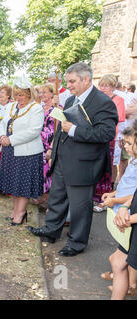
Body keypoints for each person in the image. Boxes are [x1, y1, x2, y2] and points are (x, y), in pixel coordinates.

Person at [28, 62, 119, 257]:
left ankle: (76, 242)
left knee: (79, 206)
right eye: (68, 81)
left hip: (84, 164)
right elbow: (62, 128)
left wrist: (76, 131)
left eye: (72, 81)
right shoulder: (70, 100)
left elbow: (107, 133)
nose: (68, 85)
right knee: (57, 198)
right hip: (62, 160)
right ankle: (51, 230)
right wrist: (54, 149)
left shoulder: (103, 103)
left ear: (86, 79)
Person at [0, 75, 44, 226]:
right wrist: (2, 136)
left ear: (29, 94)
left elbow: (34, 131)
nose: (18, 98)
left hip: (27, 152)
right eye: (16, 94)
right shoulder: (11, 106)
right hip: (10, 150)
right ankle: (15, 210)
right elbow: (3, 123)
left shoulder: (36, 108)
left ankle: (21, 212)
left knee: (22, 183)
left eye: (21, 95)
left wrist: (12, 139)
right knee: (13, 182)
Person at [100, 124, 137, 299]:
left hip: (131, 217)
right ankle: (126, 283)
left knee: (120, 261)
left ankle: (130, 285)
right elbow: (128, 190)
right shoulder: (133, 162)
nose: (126, 147)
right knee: (118, 260)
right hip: (127, 213)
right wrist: (116, 198)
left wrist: (118, 203)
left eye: (129, 143)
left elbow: (132, 194)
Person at [93, 75, 126, 212]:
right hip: (97, 136)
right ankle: (95, 196)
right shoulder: (96, 99)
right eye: (101, 85)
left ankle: (106, 197)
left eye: (106, 85)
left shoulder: (118, 100)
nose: (103, 88)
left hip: (111, 137)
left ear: (113, 87)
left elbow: (117, 118)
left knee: (109, 166)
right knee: (97, 165)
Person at [31, 83, 57, 206]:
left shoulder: (57, 108)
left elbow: (57, 130)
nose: (42, 95)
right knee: (39, 168)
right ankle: (39, 193)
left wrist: (52, 147)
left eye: (45, 92)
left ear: (52, 93)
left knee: (48, 169)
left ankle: (47, 197)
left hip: (49, 142)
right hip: (38, 142)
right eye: (40, 93)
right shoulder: (40, 108)